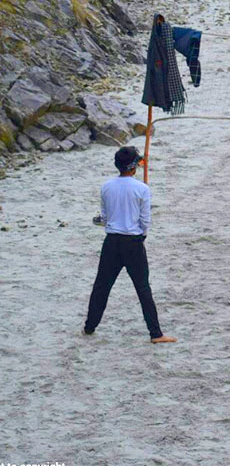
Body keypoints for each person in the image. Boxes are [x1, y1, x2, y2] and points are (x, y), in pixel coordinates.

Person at [83, 146, 176, 343]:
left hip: (111, 242)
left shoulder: (106, 186)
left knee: (101, 286)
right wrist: (141, 235)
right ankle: (156, 334)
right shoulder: (142, 189)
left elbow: (105, 217)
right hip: (133, 242)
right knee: (143, 288)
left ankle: (89, 327)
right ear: (133, 167)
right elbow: (145, 221)